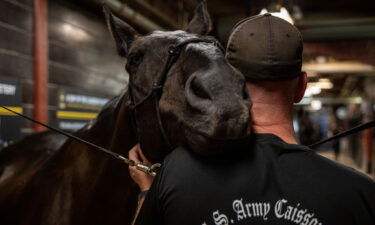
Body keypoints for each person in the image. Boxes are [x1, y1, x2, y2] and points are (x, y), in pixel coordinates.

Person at [129, 14, 375, 225]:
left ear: (228, 80)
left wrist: (148, 193)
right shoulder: (358, 193)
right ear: (301, 87)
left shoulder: (176, 172)